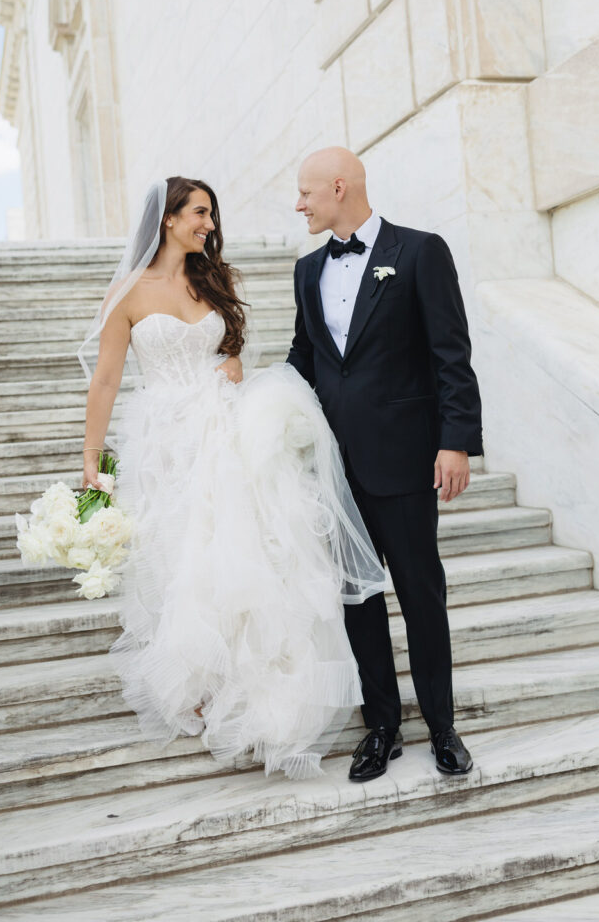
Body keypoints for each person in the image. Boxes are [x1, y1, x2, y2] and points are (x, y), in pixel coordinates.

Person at [78, 175, 387, 780]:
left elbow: (231, 354)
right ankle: (201, 685)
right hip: (167, 442)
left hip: (225, 429)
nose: (209, 225)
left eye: (211, 216)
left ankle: (256, 693)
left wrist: (232, 368)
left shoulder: (209, 282)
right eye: (199, 213)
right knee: (181, 560)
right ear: (167, 219)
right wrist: (92, 454)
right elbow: (108, 380)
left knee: (244, 556)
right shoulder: (129, 293)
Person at [288, 147, 484, 782]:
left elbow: (451, 353)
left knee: (421, 595)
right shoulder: (305, 270)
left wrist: (454, 442)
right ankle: (382, 727)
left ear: (338, 187)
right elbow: (305, 358)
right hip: (335, 468)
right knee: (358, 601)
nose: (300, 205)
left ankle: (443, 727)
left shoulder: (421, 252)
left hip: (404, 459)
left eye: (307, 193)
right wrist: (250, 403)